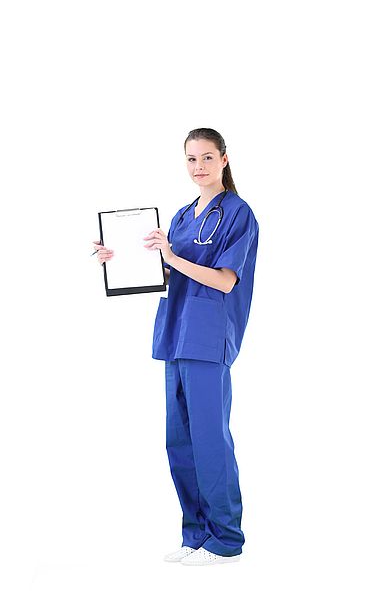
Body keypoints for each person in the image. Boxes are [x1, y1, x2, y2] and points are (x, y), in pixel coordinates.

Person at [93, 128, 259, 566]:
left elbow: (224, 279)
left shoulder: (238, 214)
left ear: (224, 159)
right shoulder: (184, 216)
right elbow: (169, 274)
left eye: (207, 157)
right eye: (190, 159)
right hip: (176, 334)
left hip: (208, 337)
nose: (198, 167)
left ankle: (226, 540)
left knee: (210, 440)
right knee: (180, 442)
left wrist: (172, 258)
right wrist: (122, 259)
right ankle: (196, 534)